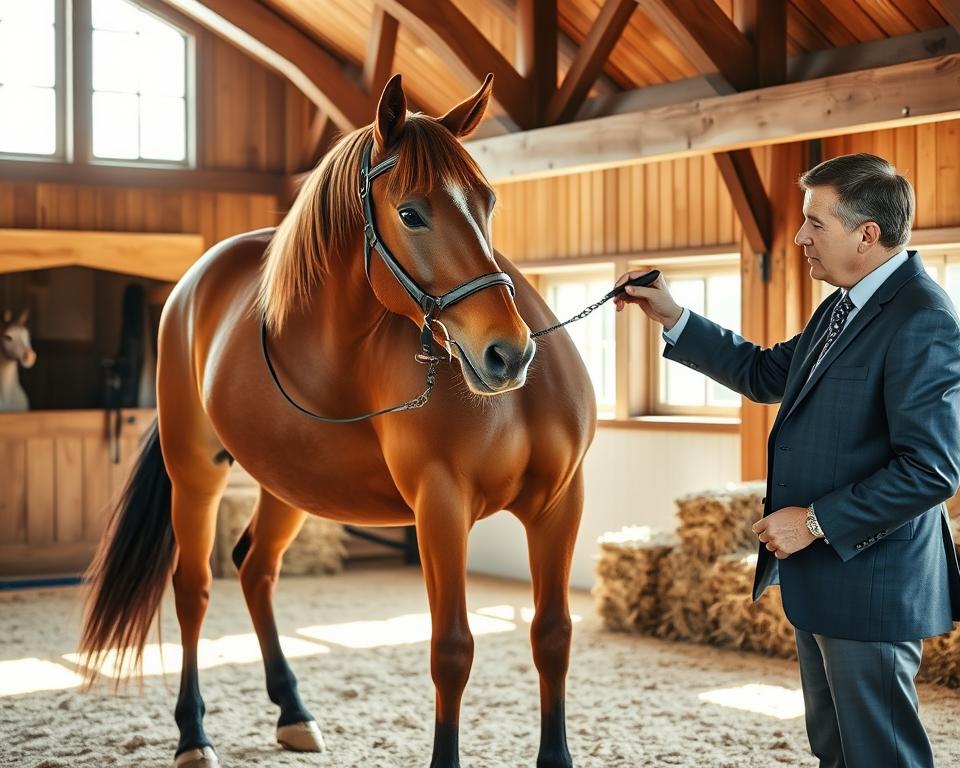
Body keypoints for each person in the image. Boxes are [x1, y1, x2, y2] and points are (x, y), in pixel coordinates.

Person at [615, 153, 960, 768]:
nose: (800, 237)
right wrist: (672, 314)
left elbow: (931, 469)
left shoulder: (922, 319)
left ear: (867, 234)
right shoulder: (844, 304)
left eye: (814, 223)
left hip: (870, 579)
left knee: (880, 754)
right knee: (835, 748)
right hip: (824, 575)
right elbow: (767, 372)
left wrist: (814, 521)